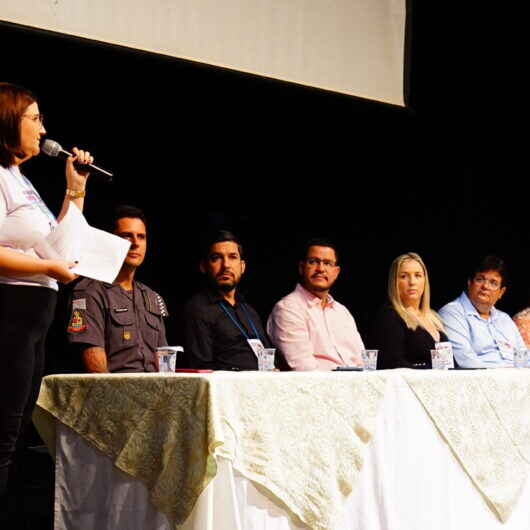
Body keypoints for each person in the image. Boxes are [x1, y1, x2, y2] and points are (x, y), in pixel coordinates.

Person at [0, 82, 93, 503]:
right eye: (34, 119)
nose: (42, 129)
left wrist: (76, 188)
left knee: (17, 432)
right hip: (9, 311)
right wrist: (46, 267)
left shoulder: (21, 180)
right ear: (7, 121)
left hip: (35, 316)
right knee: (2, 432)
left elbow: (57, 242)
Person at [66, 205, 169, 372]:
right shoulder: (89, 292)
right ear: (110, 241)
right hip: (113, 391)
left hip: (155, 391)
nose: (136, 243)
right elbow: (95, 367)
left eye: (141, 237)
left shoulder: (152, 296)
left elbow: (165, 359)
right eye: (126, 236)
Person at [183, 230, 275, 370]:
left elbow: (268, 355)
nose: (226, 265)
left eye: (232, 257)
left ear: (242, 266)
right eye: (216, 258)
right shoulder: (198, 309)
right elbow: (202, 367)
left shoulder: (249, 311)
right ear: (203, 266)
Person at [267, 238, 364, 370]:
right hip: (317, 388)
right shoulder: (288, 309)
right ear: (301, 267)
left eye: (328, 263)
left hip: (356, 385)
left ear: (336, 272)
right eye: (313, 262)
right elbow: (303, 368)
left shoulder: (342, 312)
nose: (321, 269)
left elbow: (362, 359)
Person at [439, 255, 525, 368]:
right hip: (481, 381)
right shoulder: (451, 313)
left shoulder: (505, 319)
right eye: (480, 279)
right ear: (469, 283)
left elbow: (524, 357)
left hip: (516, 380)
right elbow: (466, 360)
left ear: (501, 292)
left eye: (493, 283)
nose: (485, 286)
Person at [370, 252, 447, 369]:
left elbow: (450, 362)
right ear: (394, 282)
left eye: (418, 275)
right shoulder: (390, 316)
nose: (412, 282)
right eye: (404, 276)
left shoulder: (434, 317)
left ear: (425, 280)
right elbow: (393, 363)